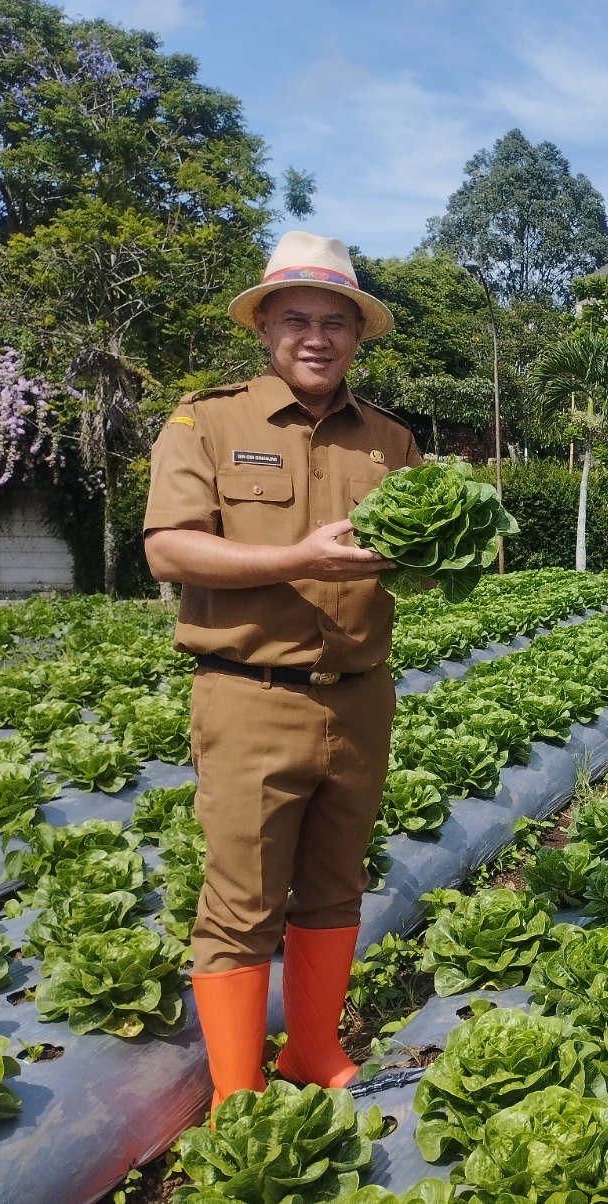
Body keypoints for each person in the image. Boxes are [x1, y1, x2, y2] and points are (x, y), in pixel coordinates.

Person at [144, 231, 422, 1112]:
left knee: (338, 884)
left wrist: (452, 549)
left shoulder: (389, 440)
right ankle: (234, 1089)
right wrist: (293, 557)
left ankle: (312, 1049)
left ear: (357, 335)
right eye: (296, 317)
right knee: (241, 900)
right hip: (249, 695)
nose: (316, 335)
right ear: (264, 326)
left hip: (360, 697)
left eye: (335, 321)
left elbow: (427, 553)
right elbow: (168, 549)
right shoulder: (208, 421)